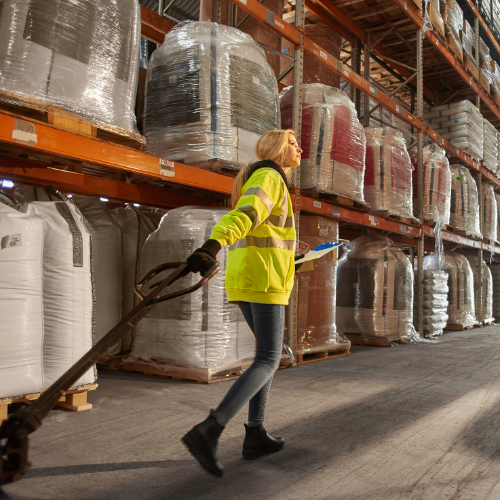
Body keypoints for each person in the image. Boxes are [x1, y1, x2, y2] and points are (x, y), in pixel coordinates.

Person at [181, 129, 302, 478]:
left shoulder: (263, 178)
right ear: (279, 149)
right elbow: (245, 214)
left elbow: (264, 232)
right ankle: (210, 429)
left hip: (252, 276)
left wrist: (294, 256)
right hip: (263, 280)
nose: (300, 148)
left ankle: (255, 434)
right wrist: (211, 245)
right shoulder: (270, 176)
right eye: (294, 143)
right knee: (269, 358)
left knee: (265, 357)